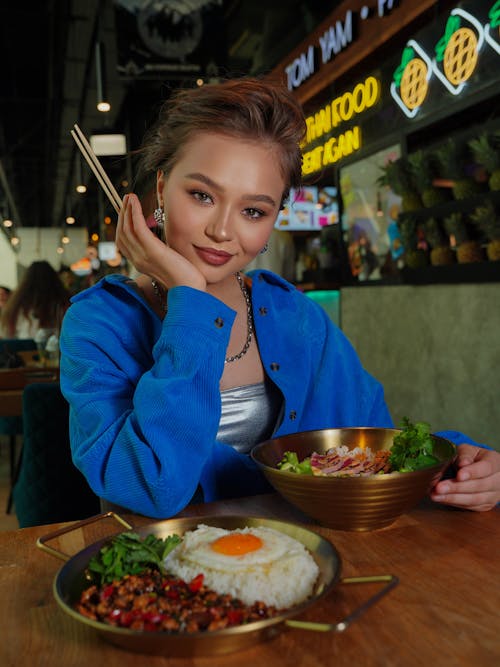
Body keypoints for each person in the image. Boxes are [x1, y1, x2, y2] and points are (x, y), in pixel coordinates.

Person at [59, 77, 500, 519]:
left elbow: (374, 449)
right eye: (202, 195)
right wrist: (188, 298)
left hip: (305, 567)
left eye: (253, 210)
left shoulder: (297, 317)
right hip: (167, 575)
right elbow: (151, 488)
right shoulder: (98, 325)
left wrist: (462, 463)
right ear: (160, 189)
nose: (223, 230)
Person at [1, 260, 71, 338]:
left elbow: (7, 334)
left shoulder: (16, 305)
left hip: (22, 347)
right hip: (55, 346)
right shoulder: (61, 303)